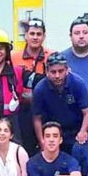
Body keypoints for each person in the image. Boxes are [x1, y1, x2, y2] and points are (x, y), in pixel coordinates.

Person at [31, 52, 88, 154]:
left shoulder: (78, 83)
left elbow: (86, 111)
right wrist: (42, 142)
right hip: (52, 133)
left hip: (75, 132)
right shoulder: (40, 89)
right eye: (53, 72)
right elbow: (37, 118)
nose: (57, 75)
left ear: (67, 70)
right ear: (47, 71)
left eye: (61, 71)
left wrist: (83, 131)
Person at [11, 18, 53, 154]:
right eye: (32, 33)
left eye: (39, 34)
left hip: (47, 111)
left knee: (47, 146)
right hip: (22, 112)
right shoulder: (13, 57)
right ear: (26, 36)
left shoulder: (52, 56)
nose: (35, 37)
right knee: (24, 149)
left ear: (44, 36)